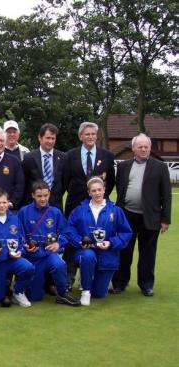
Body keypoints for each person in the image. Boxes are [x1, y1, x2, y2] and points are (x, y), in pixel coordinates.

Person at [111, 133, 172, 296]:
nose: (143, 149)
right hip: (126, 216)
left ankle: (146, 284)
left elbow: (166, 195)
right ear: (133, 148)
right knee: (124, 250)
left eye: (146, 146)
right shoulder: (123, 166)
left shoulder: (160, 167)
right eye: (140, 146)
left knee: (148, 253)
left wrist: (165, 219)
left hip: (150, 217)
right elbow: (121, 190)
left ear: (150, 148)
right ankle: (119, 282)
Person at [62, 121, 116, 288]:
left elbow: (111, 181)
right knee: (73, 241)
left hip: (98, 207)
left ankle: (91, 277)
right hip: (75, 206)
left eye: (93, 134)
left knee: (97, 239)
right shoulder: (70, 155)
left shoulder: (107, 156)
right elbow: (65, 181)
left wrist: (100, 197)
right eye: (87, 134)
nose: (91, 137)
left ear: (96, 136)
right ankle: (69, 277)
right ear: (80, 136)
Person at [66, 177, 132, 306]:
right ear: (89, 192)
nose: (97, 193)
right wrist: (80, 241)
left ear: (104, 190)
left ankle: (90, 283)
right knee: (88, 256)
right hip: (85, 251)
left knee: (100, 294)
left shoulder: (115, 210)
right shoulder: (79, 209)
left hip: (107, 254)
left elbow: (126, 232)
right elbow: (69, 229)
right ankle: (85, 291)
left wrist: (111, 243)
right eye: (93, 190)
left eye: (99, 190)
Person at [18, 181, 80, 306]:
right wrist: (25, 246)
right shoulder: (24, 212)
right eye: (39, 196)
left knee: (59, 264)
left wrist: (58, 243)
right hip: (32, 257)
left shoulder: (55, 212)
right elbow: (19, 234)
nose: (43, 199)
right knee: (35, 297)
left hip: (49, 254)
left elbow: (66, 231)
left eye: (45, 195)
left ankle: (62, 293)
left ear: (49, 194)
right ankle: (29, 286)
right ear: (33, 196)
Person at [0, 189, 35, 309]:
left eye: (4, 202)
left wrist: (20, 251)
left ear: (8, 203)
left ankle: (18, 292)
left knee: (29, 268)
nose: (2, 205)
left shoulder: (15, 219)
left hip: (13, 260)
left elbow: (21, 240)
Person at [22, 123, 65, 210]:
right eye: (48, 138)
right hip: (34, 204)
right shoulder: (29, 158)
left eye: (53, 138)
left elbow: (64, 181)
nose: (50, 141)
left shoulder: (63, 157)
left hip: (55, 205)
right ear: (40, 138)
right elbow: (25, 182)